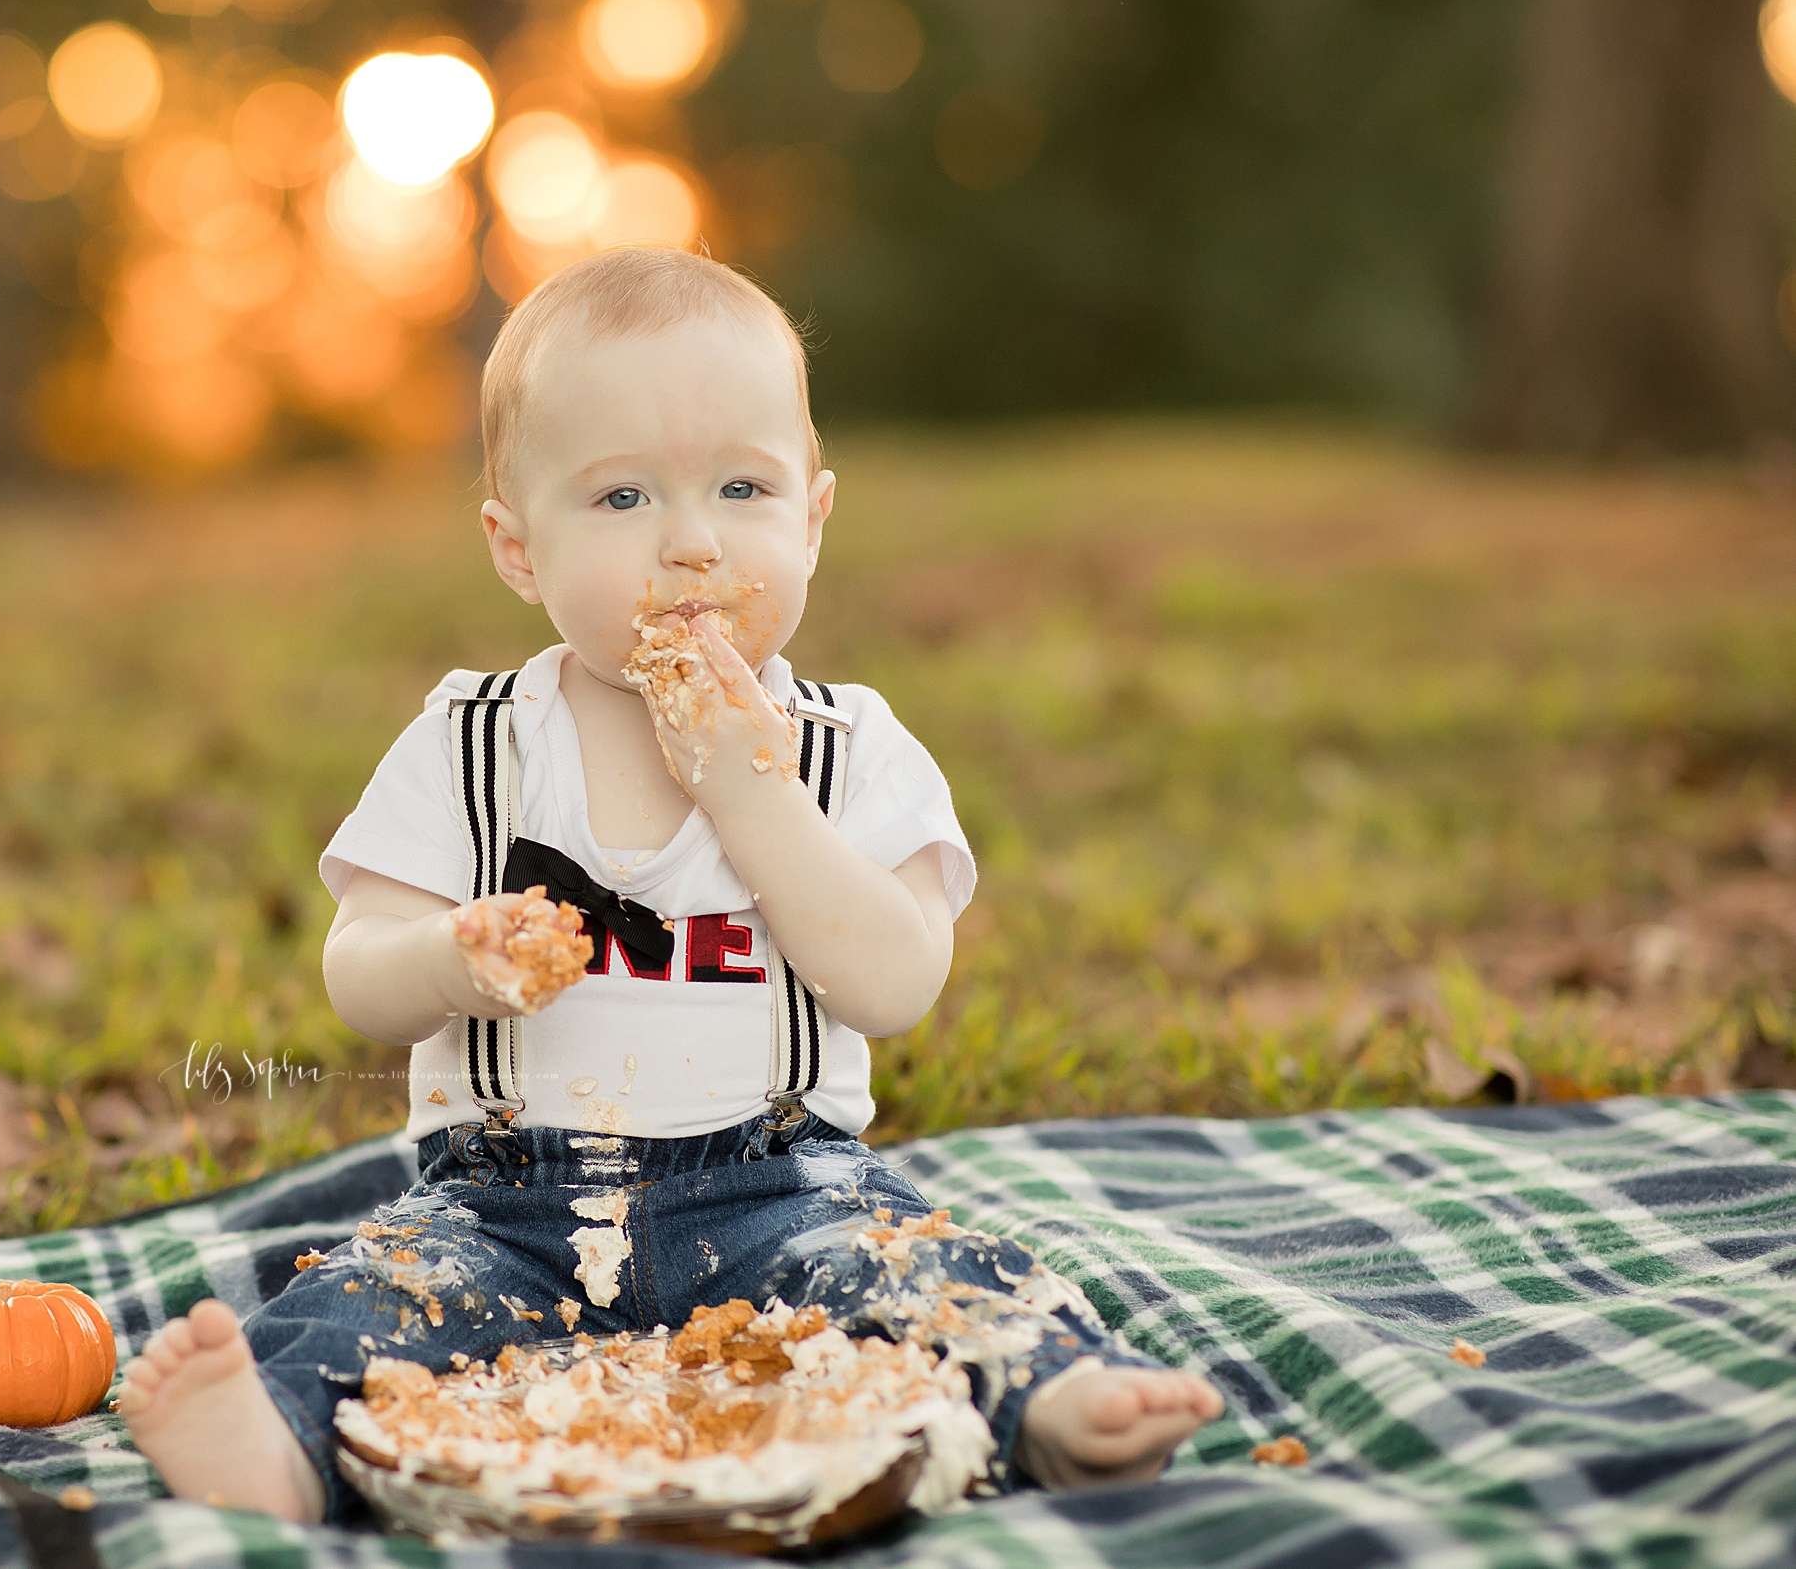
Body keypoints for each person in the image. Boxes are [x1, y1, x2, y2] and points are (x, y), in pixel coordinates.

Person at [115, 246, 1222, 1524]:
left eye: (740, 488)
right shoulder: (476, 744)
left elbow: (896, 979)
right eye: (623, 498)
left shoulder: (849, 749)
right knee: (382, 1287)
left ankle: (1058, 1398)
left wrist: (755, 795)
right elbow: (356, 966)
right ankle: (273, 1446)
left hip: (779, 1184)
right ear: (517, 548)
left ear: (810, 517)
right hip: (504, 1190)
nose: (692, 545)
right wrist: (442, 955)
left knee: (915, 1267)